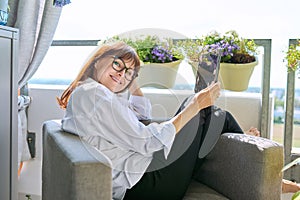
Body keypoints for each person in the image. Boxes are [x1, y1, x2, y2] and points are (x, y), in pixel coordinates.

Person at [57, 41, 297, 199]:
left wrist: (129, 80)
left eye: (129, 71)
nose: (121, 73)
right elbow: (145, 141)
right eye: (117, 64)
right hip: (146, 185)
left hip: (144, 174)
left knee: (211, 114)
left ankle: (250, 149)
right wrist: (194, 106)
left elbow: (141, 115)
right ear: (98, 60)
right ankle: (262, 167)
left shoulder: (94, 93)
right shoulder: (95, 95)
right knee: (204, 112)